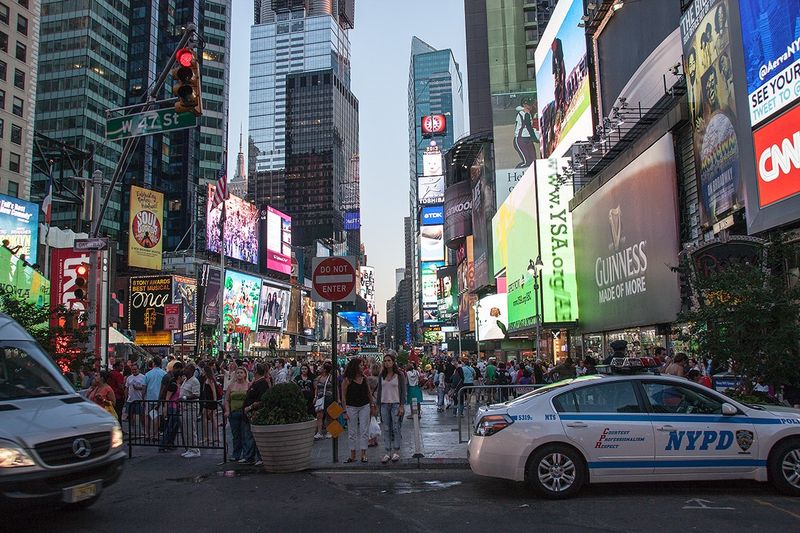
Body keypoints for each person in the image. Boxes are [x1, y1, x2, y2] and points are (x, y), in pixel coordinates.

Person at [342, 358, 374, 463]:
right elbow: (343, 396)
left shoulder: (364, 378)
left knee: (364, 430)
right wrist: (344, 411)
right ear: (355, 366)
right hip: (351, 407)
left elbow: (369, 392)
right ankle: (353, 455)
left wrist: (372, 404)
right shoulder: (347, 380)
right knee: (352, 431)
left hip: (364, 405)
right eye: (361, 365)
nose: (362, 367)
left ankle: (363, 454)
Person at [376, 354, 406, 464]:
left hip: (396, 404)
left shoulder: (400, 375)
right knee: (386, 428)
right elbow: (379, 391)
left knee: (396, 427)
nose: (387, 362)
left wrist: (402, 405)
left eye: (389, 360)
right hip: (384, 404)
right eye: (385, 361)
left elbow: (403, 391)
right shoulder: (381, 375)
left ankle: (396, 450)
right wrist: (377, 405)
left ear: (393, 362)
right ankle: (387, 452)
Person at [241, 363, 269, 466]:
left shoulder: (262, 383)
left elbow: (262, 400)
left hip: (254, 413)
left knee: (254, 436)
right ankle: (249, 456)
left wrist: (251, 407)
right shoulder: (256, 382)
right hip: (248, 413)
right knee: (248, 436)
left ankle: (259, 457)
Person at [224, 368, 249, 462]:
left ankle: (246, 455)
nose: (239, 374)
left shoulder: (248, 385)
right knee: (236, 435)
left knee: (245, 434)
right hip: (233, 413)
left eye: (241, 372)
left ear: (245, 374)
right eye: (238, 373)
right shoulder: (231, 386)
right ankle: (236, 454)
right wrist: (227, 410)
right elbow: (226, 399)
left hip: (244, 413)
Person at [179, 364, 202, 458]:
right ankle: (189, 448)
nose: (185, 369)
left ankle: (195, 450)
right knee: (185, 429)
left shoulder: (194, 381)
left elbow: (196, 395)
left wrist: (184, 398)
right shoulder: (185, 380)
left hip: (191, 408)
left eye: (187, 368)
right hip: (184, 408)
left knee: (191, 429)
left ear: (192, 371)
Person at [144, 356, 167, 441]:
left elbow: (144, 387)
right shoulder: (163, 373)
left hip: (149, 397)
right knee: (157, 416)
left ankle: (147, 434)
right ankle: (156, 434)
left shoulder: (148, 374)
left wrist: (143, 397)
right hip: (159, 398)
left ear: (153, 363)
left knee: (147, 416)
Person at [199, 366, 220, 447]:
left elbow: (213, 391)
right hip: (209, 401)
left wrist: (214, 401)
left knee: (209, 417)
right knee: (211, 418)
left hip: (210, 402)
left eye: (203, 370)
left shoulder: (209, 380)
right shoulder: (209, 379)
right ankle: (214, 436)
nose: (202, 372)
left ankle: (208, 436)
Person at [313, 361, 334, 440]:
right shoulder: (318, 378)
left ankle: (329, 431)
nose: (319, 369)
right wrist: (315, 396)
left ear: (325, 370)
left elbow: (335, 389)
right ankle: (319, 432)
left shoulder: (331, 378)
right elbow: (316, 388)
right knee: (319, 415)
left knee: (329, 415)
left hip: (329, 397)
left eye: (321, 368)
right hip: (320, 398)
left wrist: (337, 399)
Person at [125, 364, 146, 435]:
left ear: (138, 369)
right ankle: (132, 429)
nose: (134, 371)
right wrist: (126, 397)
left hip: (139, 399)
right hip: (130, 399)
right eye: (132, 370)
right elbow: (126, 388)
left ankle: (143, 429)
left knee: (141, 415)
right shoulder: (129, 378)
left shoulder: (143, 377)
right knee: (130, 415)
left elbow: (144, 388)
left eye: (135, 369)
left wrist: (138, 388)